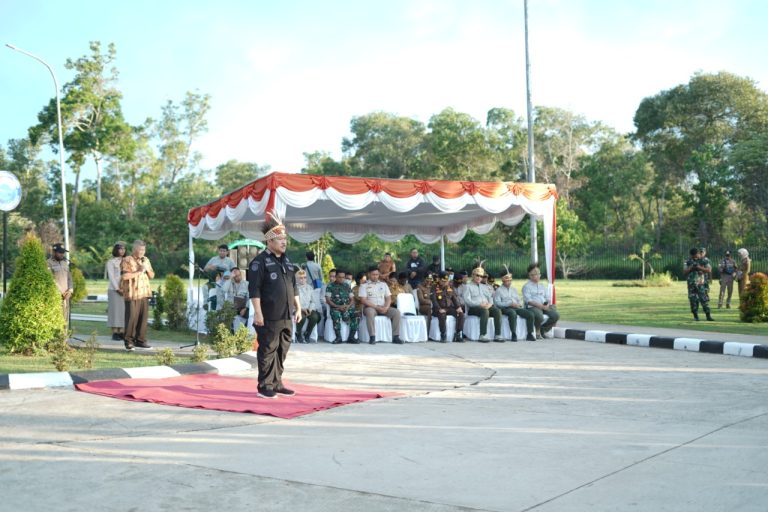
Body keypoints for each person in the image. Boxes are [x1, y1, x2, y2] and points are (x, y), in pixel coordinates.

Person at [247, 213, 301, 399]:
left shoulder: (287, 260)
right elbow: (254, 289)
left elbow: (293, 286)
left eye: (285, 239)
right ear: (269, 241)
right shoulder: (259, 262)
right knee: (268, 350)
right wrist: (258, 313)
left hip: (286, 315)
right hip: (269, 315)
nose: (284, 242)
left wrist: (298, 308)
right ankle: (265, 385)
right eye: (280, 239)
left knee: (281, 350)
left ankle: (277, 383)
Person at [121, 240, 155, 350]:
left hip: (144, 293)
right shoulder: (127, 260)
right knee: (131, 319)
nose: (142, 252)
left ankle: (140, 341)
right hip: (132, 294)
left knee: (143, 319)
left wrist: (146, 269)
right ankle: (129, 342)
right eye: (140, 249)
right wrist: (139, 271)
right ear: (134, 249)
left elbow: (152, 276)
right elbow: (124, 277)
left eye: (144, 249)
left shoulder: (146, 260)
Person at [358, 266, 402, 344]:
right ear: (369, 274)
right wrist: (376, 307)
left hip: (383, 307)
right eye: (373, 274)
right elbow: (363, 300)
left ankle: (396, 336)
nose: (375, 276)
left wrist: (386, 307)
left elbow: (388, 298)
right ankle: (372, 337)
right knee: (370, 312)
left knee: (396, 312)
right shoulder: (364, 286)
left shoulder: (383, 284)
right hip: (371, 307)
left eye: (377, 274)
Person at [461, 266, 503, 342]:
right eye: (477, 275)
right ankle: (482, 335)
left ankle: (498, 335)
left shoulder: (484, 286)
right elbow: (467, 300)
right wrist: (479, 304)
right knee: (485, 311)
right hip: (473, 308)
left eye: (481, 276)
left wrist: (490, 304)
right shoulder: (467, 286)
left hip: (486, 306)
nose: (479, 278)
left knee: (497, 311)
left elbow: (490, 297)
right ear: (473, 275)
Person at [494, 267, 536, 341]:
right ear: (503, 280)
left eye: (510, 280)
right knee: (512, 313)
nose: (509, 282)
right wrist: (509, 304)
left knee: (530, 314)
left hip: (515, 307)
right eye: (507, 281)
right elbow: (497, 303)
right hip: (505, 308)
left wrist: (519, 304)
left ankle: (530, 334)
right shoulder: (499, 290)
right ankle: (513, 333)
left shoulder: (514, 289)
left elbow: (519, 300)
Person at [522, 263, 560, 338]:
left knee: (555, 315)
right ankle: (537, 330)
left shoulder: (542, 286)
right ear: (530, 276)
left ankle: (543, 330)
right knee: (539, 316)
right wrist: (541, 306)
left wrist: (547, 305)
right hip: (532, 307)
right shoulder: (526, 287)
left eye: (539, 273)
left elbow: (547, 298)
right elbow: (528, 301)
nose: (538, 275)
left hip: (544, 306)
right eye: (535, 274)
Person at [325, 269, 359, 344]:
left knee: (356, 314)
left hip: (347, 307)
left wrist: (348, 306)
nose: (341, 279)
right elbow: (328, 300)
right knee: (336, 314)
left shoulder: (347, 286)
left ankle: (351, 337)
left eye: (343, 277)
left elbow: (352, 299)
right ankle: (338, 337)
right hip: (336, 308)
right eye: (339, 277)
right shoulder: (330, 286)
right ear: (336, 277)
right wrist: (337, 306)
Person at [432, 271, 465, 342]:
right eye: (443, 281)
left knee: (461, 313)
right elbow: (434, 300)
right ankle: (443, 335)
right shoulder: (434, 287)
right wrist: (439, 309)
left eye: (446, 281)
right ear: (439, 279)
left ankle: (458, 334)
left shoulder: (450, 287)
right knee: (442, 315)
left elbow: (454, 298)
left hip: (449, 308)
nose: (445, 283)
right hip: (438, 309)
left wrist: (458, 307)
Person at [683, 247, 714, 321]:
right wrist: (691, 268)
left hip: (700, 284)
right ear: (691, 255)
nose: (695, 257)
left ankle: (708, 316)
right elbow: (684, 272)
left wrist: (699, 268)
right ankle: (695, 316)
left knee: (704, 300)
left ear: (698, 253)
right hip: (691, 285)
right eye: (693, 256)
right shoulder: (687, 261)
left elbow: (709, 269)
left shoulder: (703, 260)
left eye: (696, 255)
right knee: (693, 300)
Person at [204, 244, 236, 310]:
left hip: (226, 279)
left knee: (228, 287)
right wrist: (210, 267)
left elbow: (235, 272)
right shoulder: (213, 259)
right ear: (218, 251)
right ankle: (211, 306)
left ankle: (228, 308)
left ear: (227, 252)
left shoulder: (230, 261)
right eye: (220, 251)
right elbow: (205, 269)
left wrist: (230, 276)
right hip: (214, 280)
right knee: (205, 287)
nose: (222, 252)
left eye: (224, 251)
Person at [47, 243, 73, 324]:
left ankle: (64, 332)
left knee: (65, 318)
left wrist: (70, 290)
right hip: (55, 295)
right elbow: (51, 279)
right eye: (60, 252)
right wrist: (62, 292)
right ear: (54, 252)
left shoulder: (65, 263)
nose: (62, 254)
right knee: (55, 318)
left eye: (63, 252)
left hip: (66, 295)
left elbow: (69, 278)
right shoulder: (48, 263)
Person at [105, 242, 126, 340]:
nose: (122, 251)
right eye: (120, 249)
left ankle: (121, 331)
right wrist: (117, 288)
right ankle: (114, 332)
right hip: (114, 290)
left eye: (124, 249)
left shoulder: (127, 260)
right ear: (116, 250)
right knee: (114, 311)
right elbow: (111, 277)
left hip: (125, 289)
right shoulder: (111, 262)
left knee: (123, 311)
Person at [295, 269, 322, 343]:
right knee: (302, 317)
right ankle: (298, 333)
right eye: (301, 278)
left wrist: (310, 309)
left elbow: (313, 301)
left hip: (308, 308)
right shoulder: (294, 288)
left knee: (315, 317)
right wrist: (301, 309)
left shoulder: (310, 288)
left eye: (304, 277)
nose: (303, 279)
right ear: (297, 279)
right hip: (298, 309)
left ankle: (307, 333)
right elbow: (292, 302)